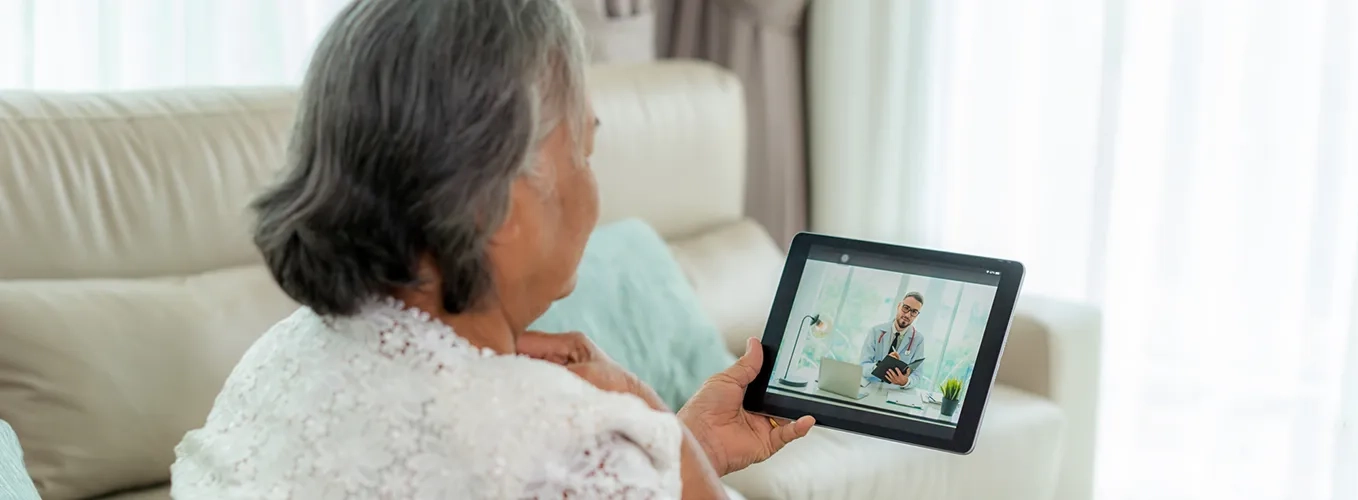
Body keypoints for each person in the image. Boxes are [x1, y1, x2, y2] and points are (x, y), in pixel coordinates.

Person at [168, 0, 814, 498]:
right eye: (584, 152)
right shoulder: (564, 444)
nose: (594, 192)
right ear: (497, 203)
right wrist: (653, 429)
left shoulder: (274, 363)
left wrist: (658, 445)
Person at [858, 291, 928, 389]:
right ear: (899, 306)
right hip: (870, 387)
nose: (908, 315)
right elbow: (862, 366)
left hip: (895, 391)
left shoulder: (918, 340)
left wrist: (906, 382)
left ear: (917, 315)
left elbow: (917, 375)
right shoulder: (876, 331)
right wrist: (880, 365)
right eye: (906, 308)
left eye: (914, 312)